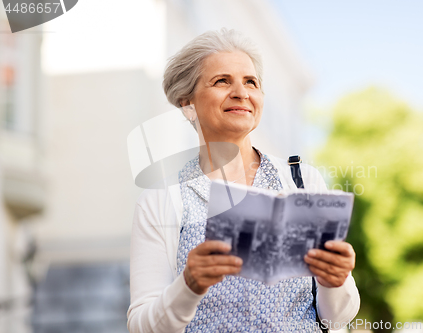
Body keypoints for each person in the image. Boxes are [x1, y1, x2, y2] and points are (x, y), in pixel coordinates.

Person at [127, 28, 360, 333]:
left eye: (251, 82)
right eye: (222, 81)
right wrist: (187, 286)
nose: (242, 92)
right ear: (187, 104)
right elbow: (141, 326)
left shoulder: (302, 182)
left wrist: (336, 280)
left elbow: (336, 318)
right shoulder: (161, 201)